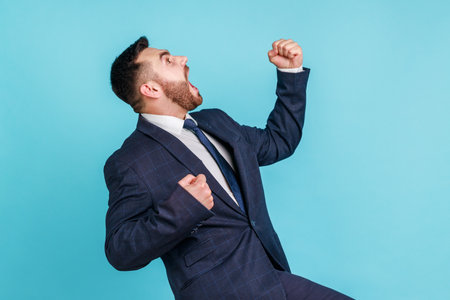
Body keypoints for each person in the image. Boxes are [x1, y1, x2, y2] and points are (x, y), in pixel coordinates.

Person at [104, 36, 353, 300]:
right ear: (151, 89)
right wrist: (182, 209)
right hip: (222, 291)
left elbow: (279, 141)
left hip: (272, 276)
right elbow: (120, 251)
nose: (182, 59)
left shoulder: (216, 121)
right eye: (168, 60)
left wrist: (289, 72)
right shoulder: (130, 161)